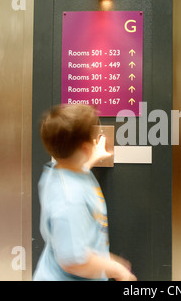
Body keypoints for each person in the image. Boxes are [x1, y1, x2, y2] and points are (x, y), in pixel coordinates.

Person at [33, 104, 137, 281]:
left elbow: (75, 173)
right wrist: (117, 271)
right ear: (85, 148)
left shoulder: (58, 172)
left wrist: (92, 157)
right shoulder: (70, 200)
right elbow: (73, 261)